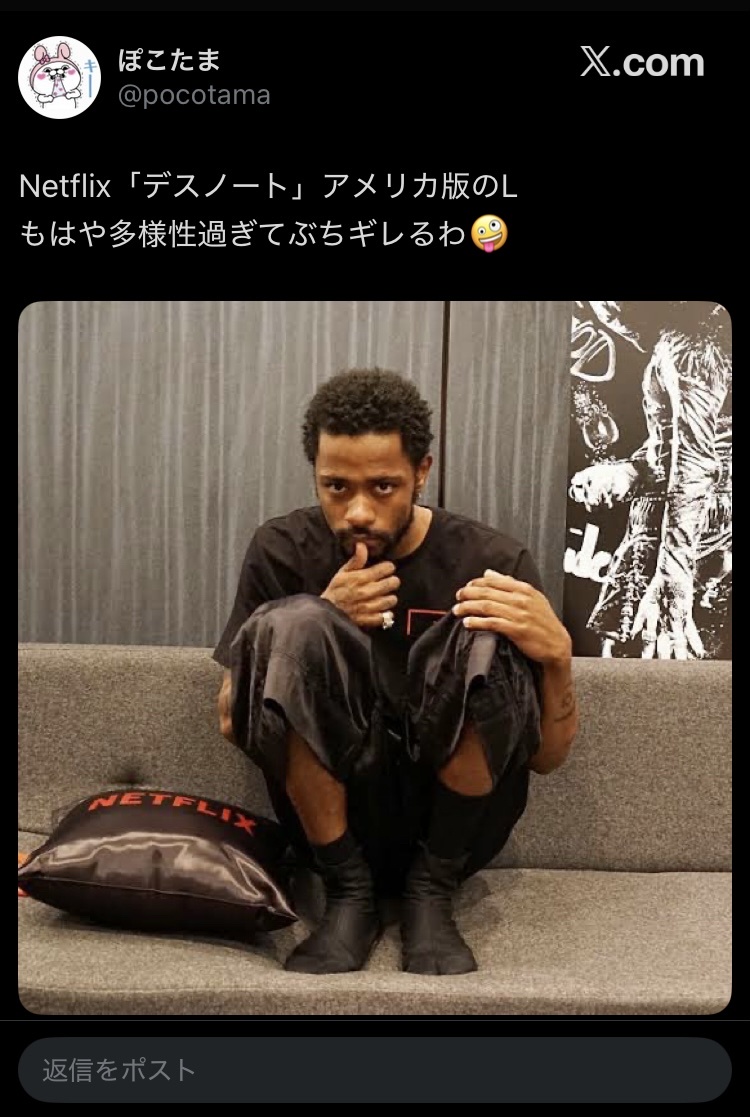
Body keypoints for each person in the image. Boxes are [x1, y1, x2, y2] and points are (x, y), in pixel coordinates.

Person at [214, 368, 578, 976]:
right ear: (315, 473)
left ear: (422, 472)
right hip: (334, 822)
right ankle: (349, 890)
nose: (358, 511)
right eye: (336, 487)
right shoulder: (282, 550)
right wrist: (323, 616)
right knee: (295, 622)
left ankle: (430, 890)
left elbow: (547, 758)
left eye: (383, 486)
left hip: (456, 826)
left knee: (484, 628)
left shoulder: (491, 561)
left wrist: (558, 656)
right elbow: (233, 721)